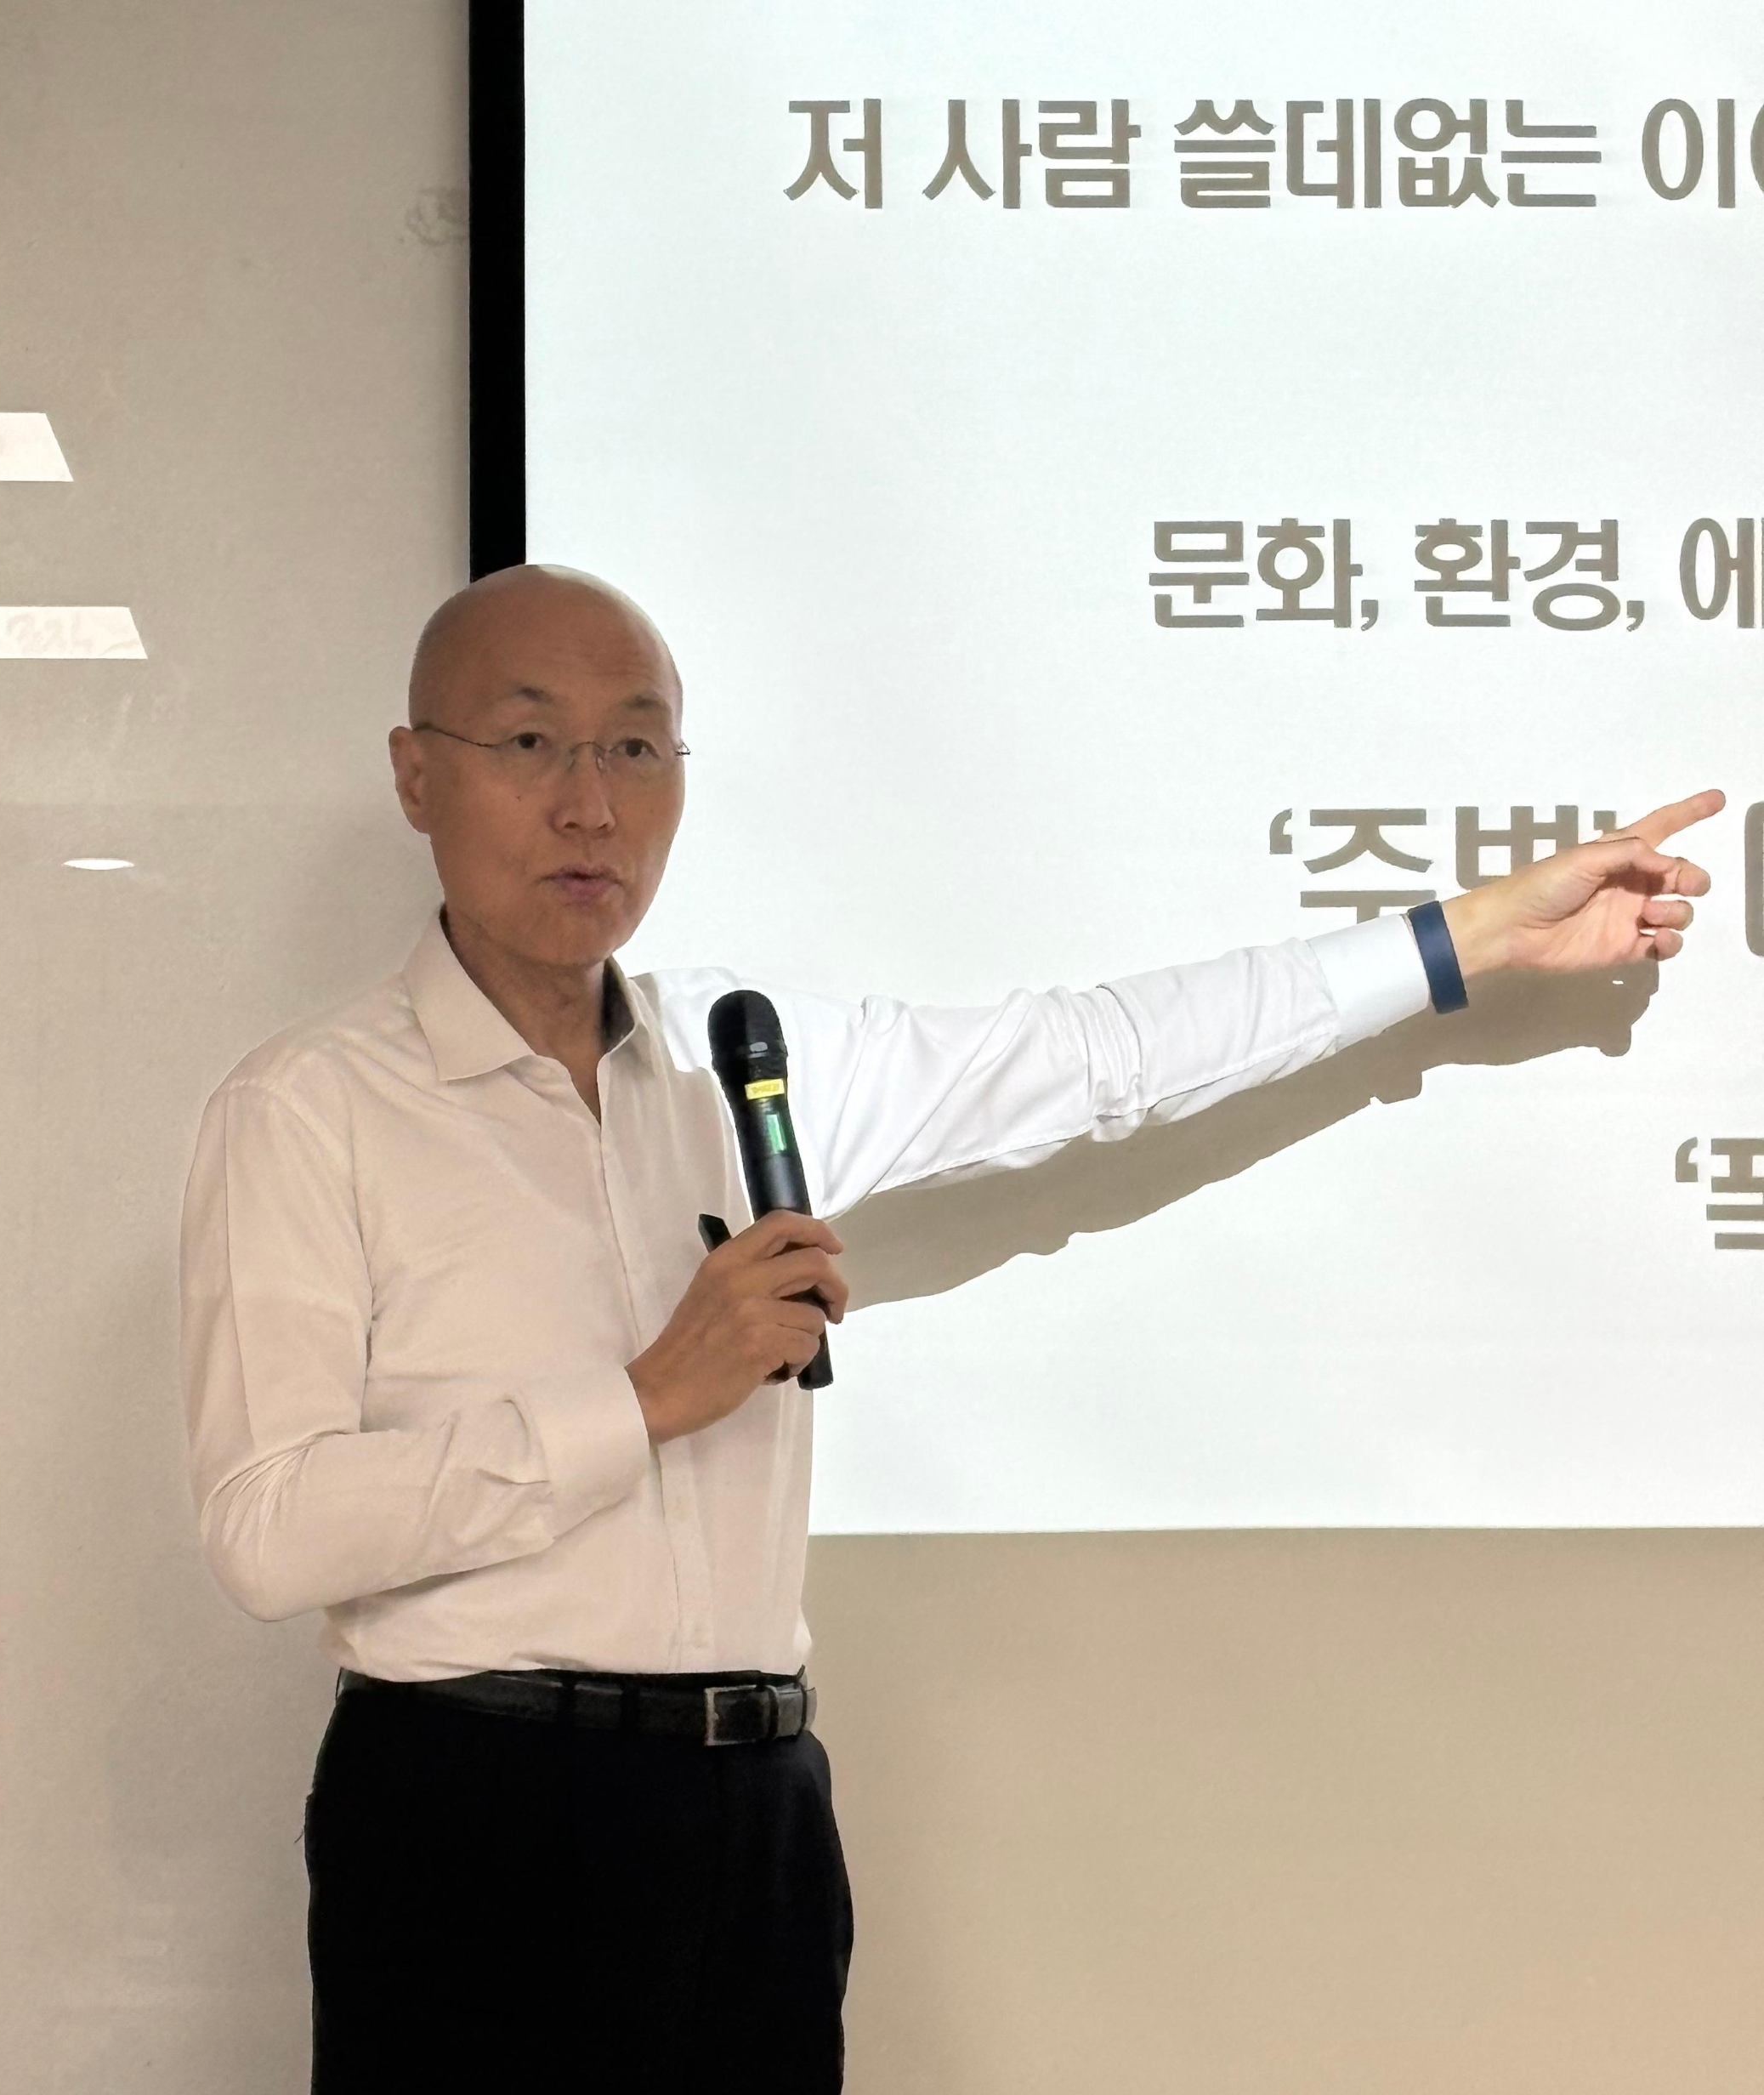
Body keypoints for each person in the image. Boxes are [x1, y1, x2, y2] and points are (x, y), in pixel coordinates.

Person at [178, 563, 1719, 2092]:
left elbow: (1100, 1055)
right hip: (473, 1814)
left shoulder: (737, 1060)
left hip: (757, 1814)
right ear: (417, 775)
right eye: (531, 743)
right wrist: (642, 1399)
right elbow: (269, 1529)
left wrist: (1468, 936)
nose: (590, 805)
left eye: (635, 746)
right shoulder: (311, 1109)